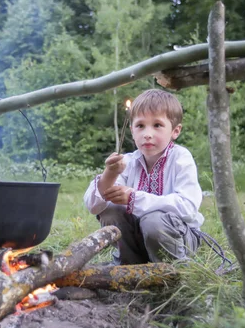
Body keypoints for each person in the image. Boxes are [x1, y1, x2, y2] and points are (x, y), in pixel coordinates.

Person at [83, 89, 209, 265]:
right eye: (140, 126)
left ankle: (171, 272)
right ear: (131, 130)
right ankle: (129, 266)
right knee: (111, 210)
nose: (147, 134)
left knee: (153, 220)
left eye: (157, 125)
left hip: (180, 237)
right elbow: (93, 206)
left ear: (175, 131)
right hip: (139, 238)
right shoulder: (127, 162)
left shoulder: (181, 158)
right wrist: (110, 174)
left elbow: (187, 207)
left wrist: (135, 198)